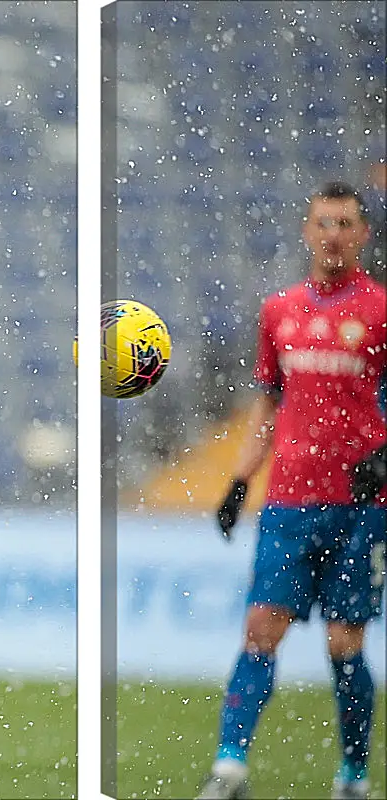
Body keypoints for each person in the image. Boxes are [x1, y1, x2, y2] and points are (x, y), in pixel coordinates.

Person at [199, 181, 387, 800]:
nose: (332, 235)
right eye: (322, 223)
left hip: (360, 509)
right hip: (288, 502)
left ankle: (354, 774)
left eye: (344, 224)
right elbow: (269, 405)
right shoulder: (280, 310)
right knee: (260, 629)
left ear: (362, 234)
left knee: (344, 644)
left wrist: (382, 458)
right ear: (306, 233)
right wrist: (237, 481)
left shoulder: (380, 310)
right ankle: (230, 766)